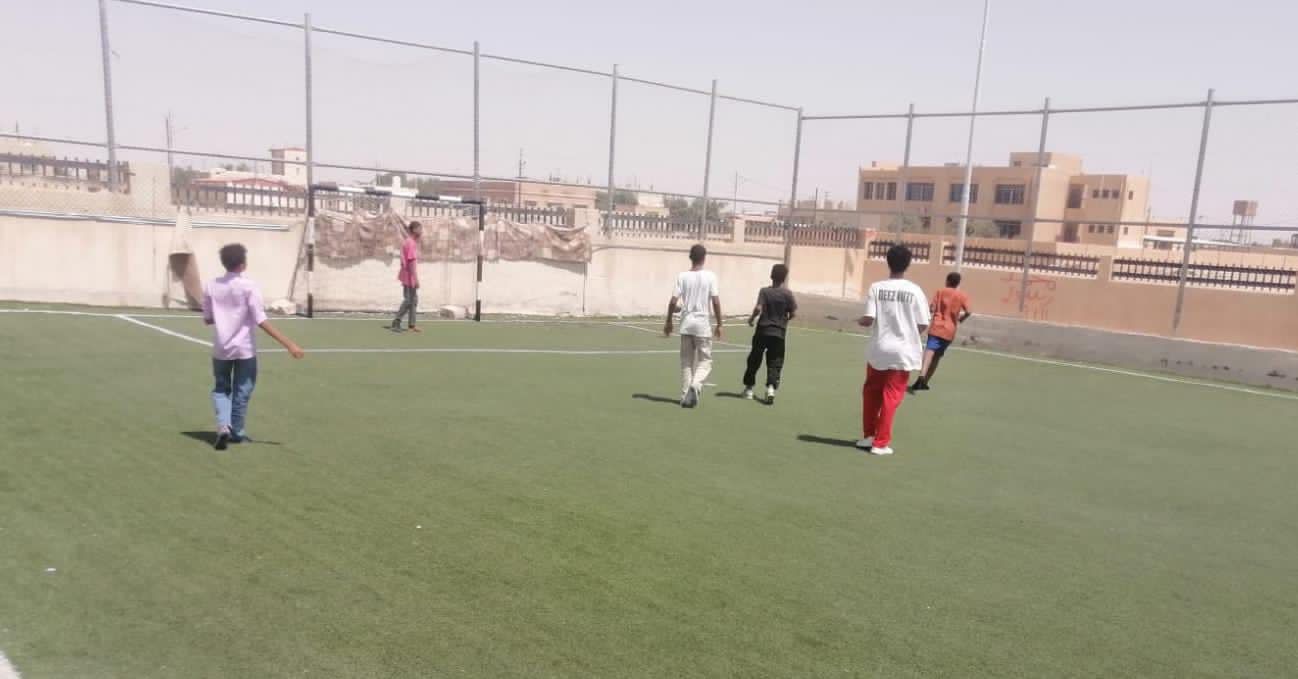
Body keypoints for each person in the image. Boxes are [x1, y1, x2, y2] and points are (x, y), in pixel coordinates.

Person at [202, 243, 305, 451]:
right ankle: (237, 432)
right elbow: (260, 319)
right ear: (243, 264)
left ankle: (223, 426)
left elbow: (208, 319)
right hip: (244, 348)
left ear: (224, 263)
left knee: (221, 388)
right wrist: (289, 344)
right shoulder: (249, 286)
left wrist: (224, 315)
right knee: (243, 390)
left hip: (221, 348)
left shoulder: (211, 286)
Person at [856, 245, 929, 456]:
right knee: (891, 396)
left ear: (887, 262)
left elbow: (868, 318)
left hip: (879, 349)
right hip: (902, 351)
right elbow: (923, 323)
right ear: (908, 264)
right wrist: (908, 333)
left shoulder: (876, 287)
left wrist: (860, 320)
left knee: (871, 393)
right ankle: (880, 443)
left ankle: (869, 436)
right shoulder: (915, 291)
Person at [663, 244, 722, 409]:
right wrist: (720, 323)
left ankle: (685, 396)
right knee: (705, 361)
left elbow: (673, 302)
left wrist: (668, 321)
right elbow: (716, 301)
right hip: (702, 325)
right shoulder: (710, 276)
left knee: (686, 362)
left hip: (686, 324)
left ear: (690, 257)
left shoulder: (682, 276)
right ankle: (696, 385)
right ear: (704, 258)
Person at [742, 263, 797, 404]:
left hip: (763, 330)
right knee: (775, 361)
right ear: (784, 278)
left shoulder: (764, 292)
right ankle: (771, 388)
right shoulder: (788, 294)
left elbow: (758, 308)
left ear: (771, 276)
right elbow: (793, 313)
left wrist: (751, 319)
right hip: (779, 333)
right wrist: (784, 321)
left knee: (754, 358)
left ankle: (749, 389)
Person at [911, 271, 972, 393]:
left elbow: (932, 308)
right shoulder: (962, 296)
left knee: (929, 352)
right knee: (937, 357)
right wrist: (961, 319)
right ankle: (925, 382)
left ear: (947, 281)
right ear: (958, 283)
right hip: (949, 330)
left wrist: (928, 312)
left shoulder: (940, 292)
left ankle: (921, 376)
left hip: (936, 326)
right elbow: (969, 311)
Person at [390, 221, 423, 333]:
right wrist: (416, 279)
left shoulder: (408, 242)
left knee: (413, 300)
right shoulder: (411, 243)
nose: (421, 231)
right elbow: (411, 263)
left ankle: (411, 325)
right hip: (409, 277)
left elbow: (403, 258)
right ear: (414, 230)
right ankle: (396, 322)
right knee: (409, 300)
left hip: (407, 275)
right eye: (420, 229)